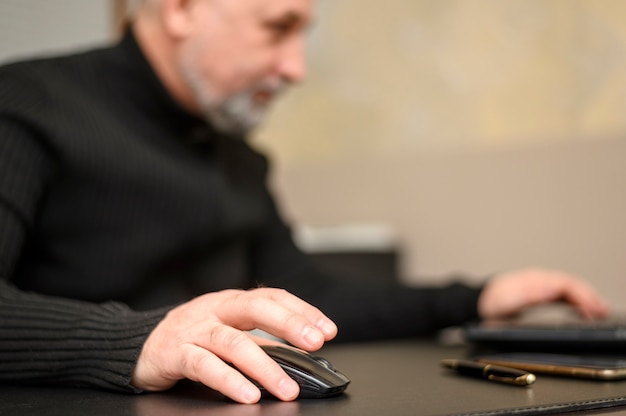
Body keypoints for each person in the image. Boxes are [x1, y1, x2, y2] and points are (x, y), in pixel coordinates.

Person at [0, 0, 609, 405]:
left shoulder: (237, 158)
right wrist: (138, 340)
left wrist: (475, 299)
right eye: (277, 27)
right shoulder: (23, 106)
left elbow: (312, 302)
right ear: (181, 7)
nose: (295, 68)